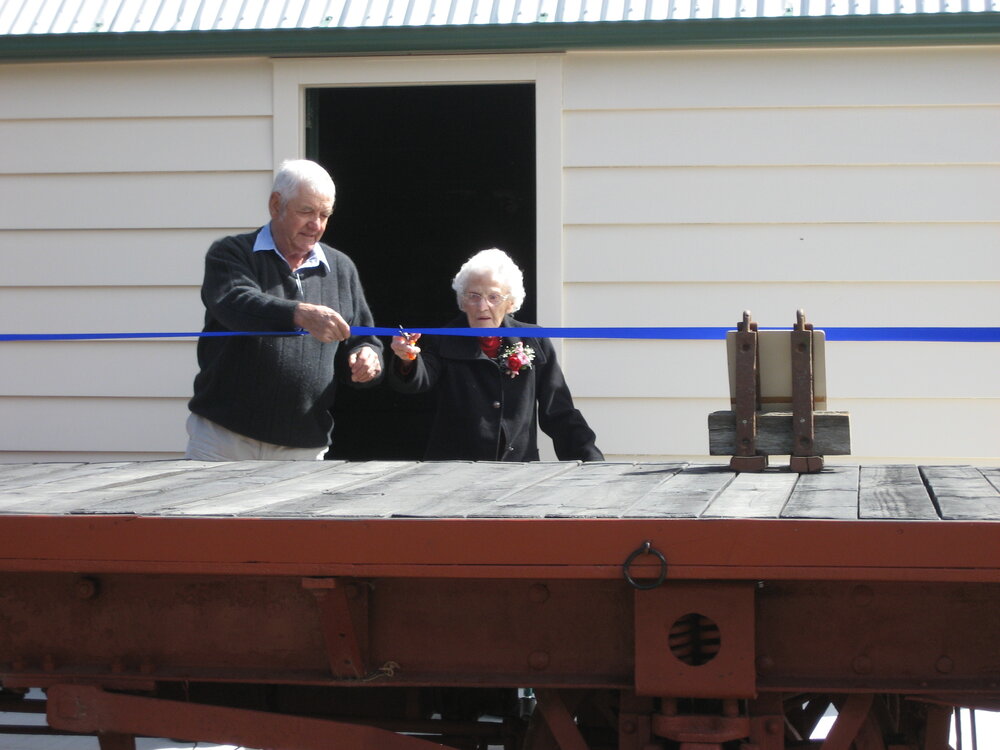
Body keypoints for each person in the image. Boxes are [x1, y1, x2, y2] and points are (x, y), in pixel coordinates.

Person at [185, 159, 383, 461]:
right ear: (275, 204)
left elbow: (361, 336)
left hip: (303, 446)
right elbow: (234, 302)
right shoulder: (231, 253)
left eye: (324, 214)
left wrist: (368, 357)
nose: (315, 225)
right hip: (225, 438)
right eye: (306, 211)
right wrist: (300, 314)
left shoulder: (341, 268)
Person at [388, 248, 603, 462]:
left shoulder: (533, 339)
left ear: (511, 303)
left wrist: (591, 462)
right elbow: (418, 379)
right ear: (462, 302)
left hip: (517, 474)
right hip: (452, 474)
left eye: (494, 297)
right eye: (473, 296)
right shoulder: (443, 339)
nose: (482, 306)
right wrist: (407, 359)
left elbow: (559, 412)